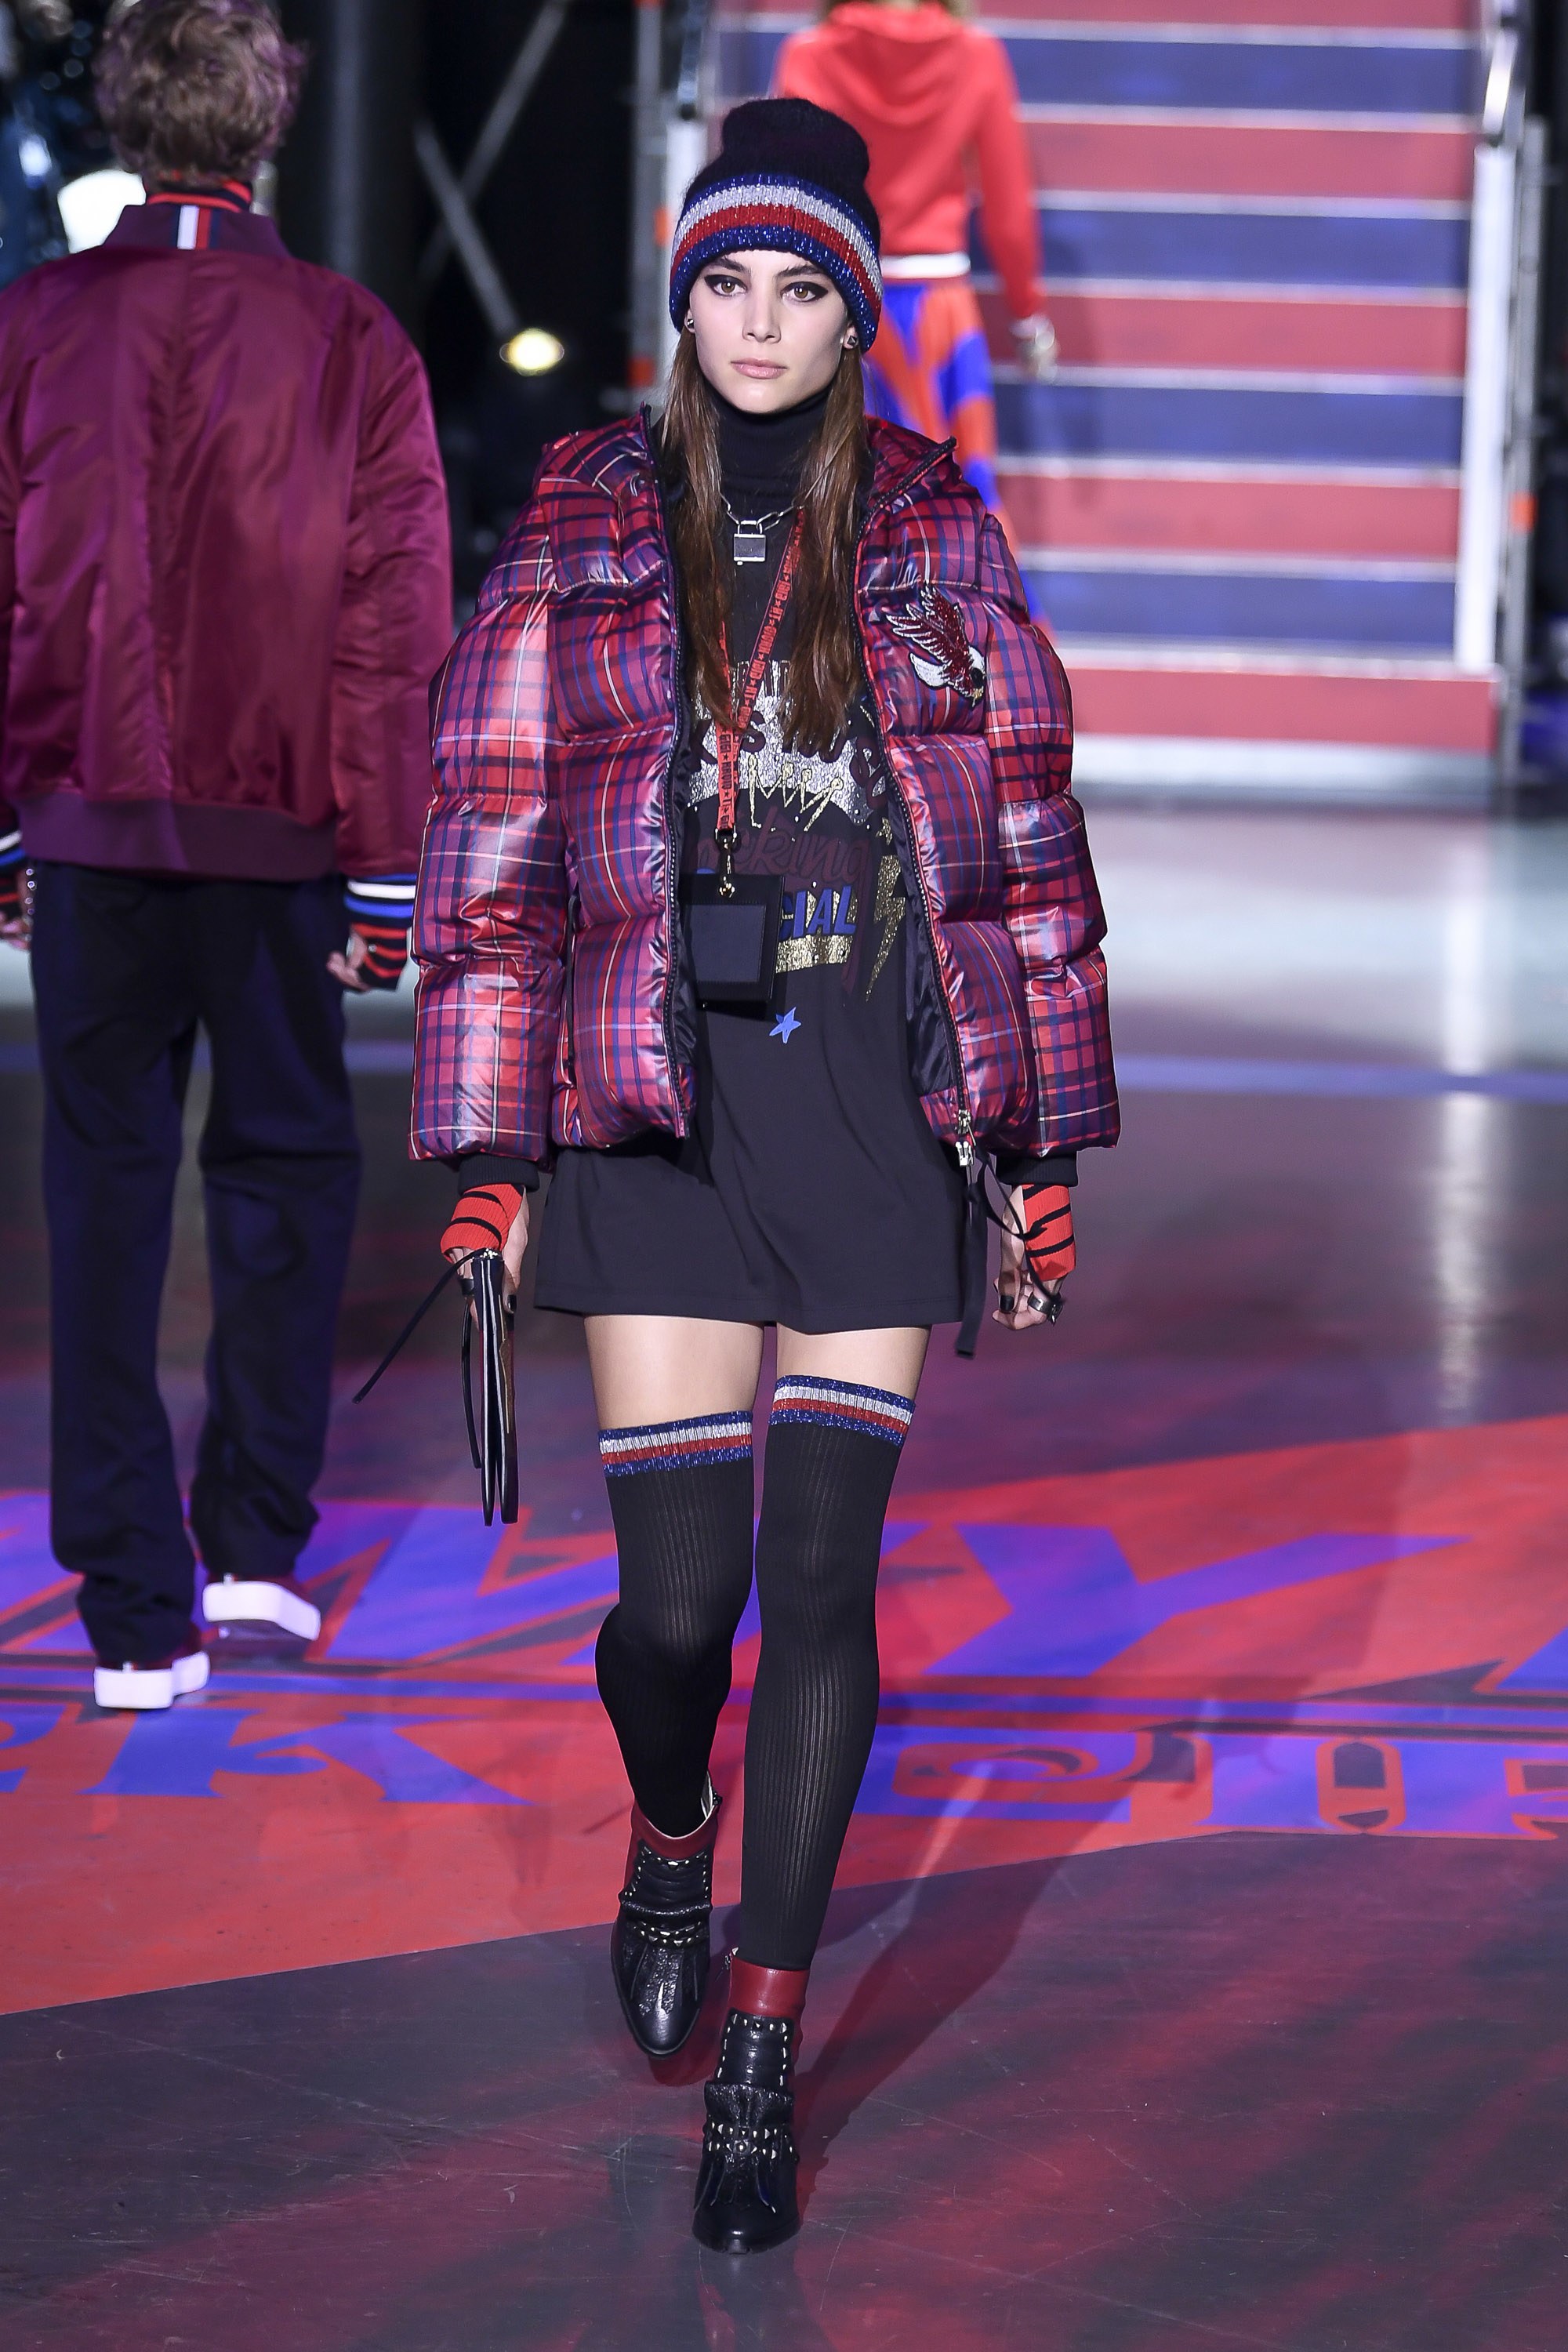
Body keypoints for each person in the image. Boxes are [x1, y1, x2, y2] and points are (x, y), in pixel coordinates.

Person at [413, 98, 1116, 2254]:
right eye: (725, 281)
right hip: (660, 1096)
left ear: (853, 314)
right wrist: (490, 1149)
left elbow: (1021, 852)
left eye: (800, 289)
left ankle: (762, 2045)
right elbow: (492, 845)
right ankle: (665, 1829)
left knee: (818, 1586)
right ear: (683, 292)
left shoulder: (937, 524)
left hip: (868, 1103)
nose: (756, 324)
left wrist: (1034, 1140)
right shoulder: (580, 514)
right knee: (676, 1608)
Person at [0, 0, 452, 1711]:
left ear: (125, 123)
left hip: (91, 830)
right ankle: (253, 1549)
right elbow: (393, 623)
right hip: (278, 848)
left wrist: (5, 825)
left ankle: (135, 1611)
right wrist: (389, 867)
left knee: (104, 1198)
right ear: (269, 127)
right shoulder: (347, 336)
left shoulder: (34, 323)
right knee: (281, 1179)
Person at [774, 0, 1057, 548]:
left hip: (840, 306)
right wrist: (1028, 318)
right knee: (958, 511)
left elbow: (783, 199)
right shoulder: (976, 54)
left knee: (836, 509)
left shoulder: (807, 55)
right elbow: (1008, 212)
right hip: (939, 317)